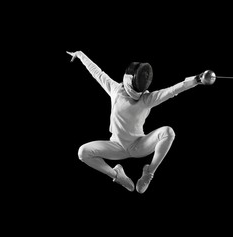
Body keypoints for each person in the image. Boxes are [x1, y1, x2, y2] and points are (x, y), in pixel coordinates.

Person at [67, 50, 206, 193]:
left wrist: (196, 79)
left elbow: (172, 91)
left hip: (139, 146)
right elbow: (97, 72)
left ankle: (149, 172)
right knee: (83, 152)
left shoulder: (146, 99)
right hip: (116, 146)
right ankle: (117, 175)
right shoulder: (116, 90)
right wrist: (80, 54)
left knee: (168, 132)